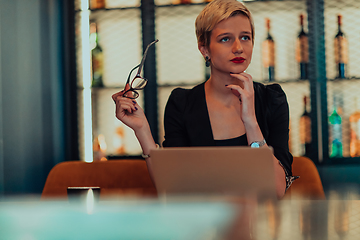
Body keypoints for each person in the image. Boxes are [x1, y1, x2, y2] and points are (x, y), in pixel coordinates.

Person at [112, 0, 297, 198]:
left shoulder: (272, 99)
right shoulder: (181, 103)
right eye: (225, 39)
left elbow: (277, 190)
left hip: (261, 226)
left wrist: (251, 121)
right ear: (204, 49)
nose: (238, 48)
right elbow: (172, 188)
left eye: (245, 37)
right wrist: (142, 130)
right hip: (203, 226)